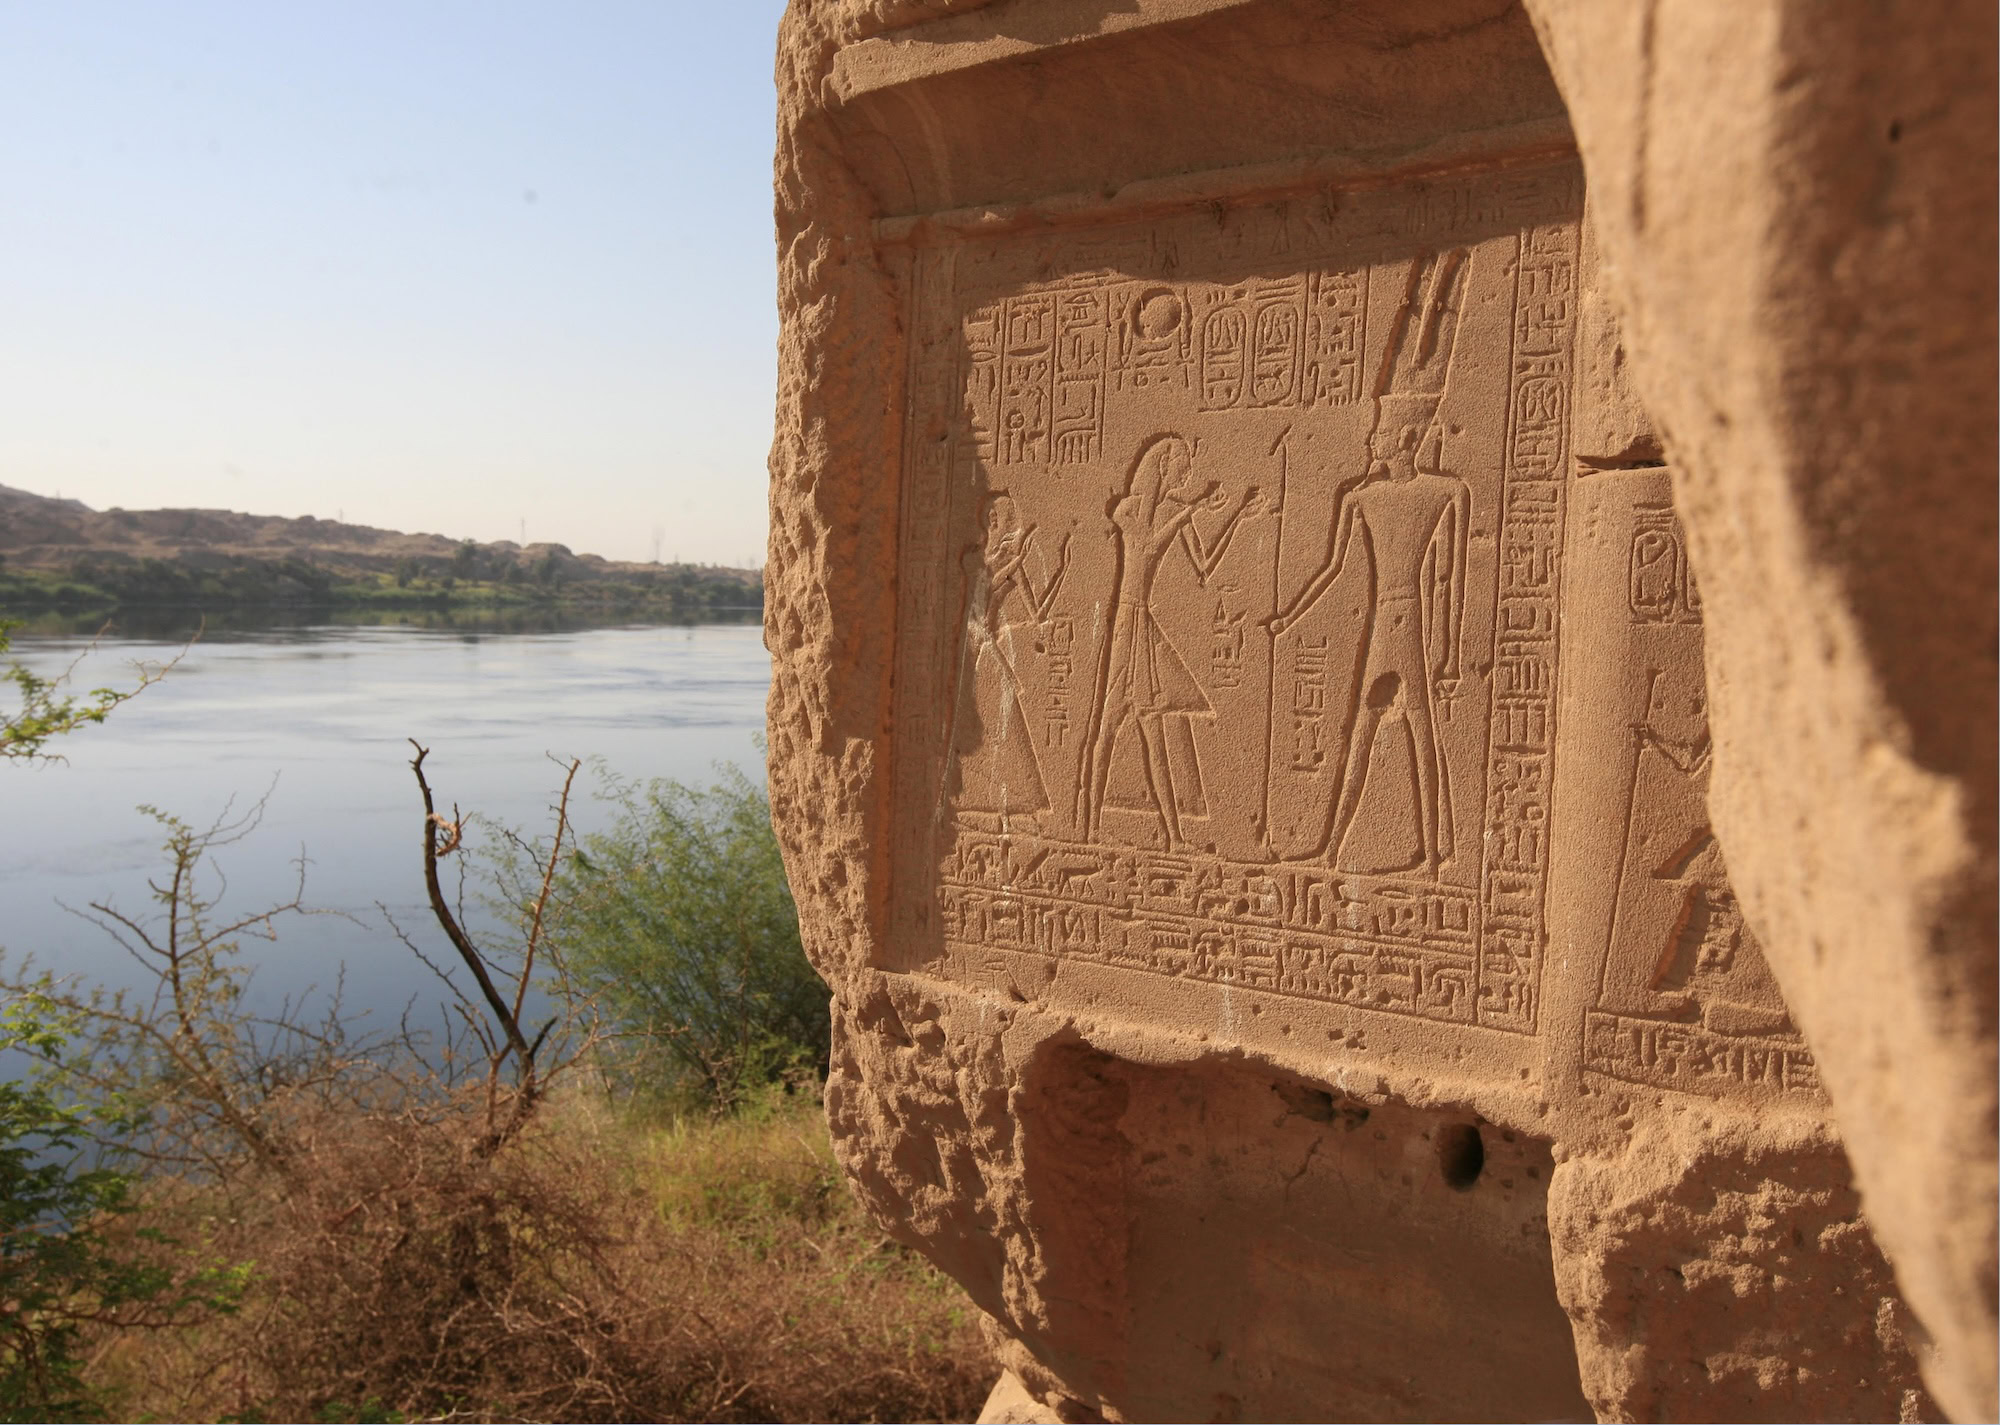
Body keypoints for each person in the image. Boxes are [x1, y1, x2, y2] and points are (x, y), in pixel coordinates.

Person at [1267, 395, 1468, 874]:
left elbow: (1451, 577)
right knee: (1364, 732)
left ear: (1405, 440)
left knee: (1422, 735)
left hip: (1407, 623)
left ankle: (1434, 855)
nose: (1370, 440)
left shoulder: (1447, 492)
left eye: (1379, 433)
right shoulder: (1361, 496)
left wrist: (1451, 654)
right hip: (1388, 621)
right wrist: (1290, 615)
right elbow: (1333, 568)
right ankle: (1333, 849)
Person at [1083, 434, 1265, 849]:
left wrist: (1236, 515)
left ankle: (1174, 835)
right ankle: (1090, 827)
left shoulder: (1180, 511)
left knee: (1155, 733)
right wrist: (1190, 512)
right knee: (1108, 725)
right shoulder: (1127, 509)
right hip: (1126, 620)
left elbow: (1205, 567)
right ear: (1163, 464)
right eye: (1182, 462)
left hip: (1144, 623)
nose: (1188, 471)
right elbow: (1145, 546)